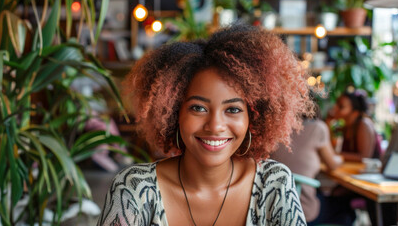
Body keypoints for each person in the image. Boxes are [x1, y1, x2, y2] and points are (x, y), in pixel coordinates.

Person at [97, 25, 313, 225]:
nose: (215, 125)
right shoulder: (134, 189)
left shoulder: (274, 184)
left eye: (233, 109)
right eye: (198, 108)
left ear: (253, 118)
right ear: (173, 113)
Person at [271, 116, 343, 222]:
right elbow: (332, 164)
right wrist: (340, 158)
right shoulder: (317, 128)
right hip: (300, 209)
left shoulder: (274, 126)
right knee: (345, 208)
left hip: (272, 205)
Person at [327, 89, 379, 162]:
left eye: (341, 106)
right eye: (336, 104)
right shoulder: (346, 126)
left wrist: (333, 154)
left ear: (355, 113)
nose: (335, 108)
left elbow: (364, 157)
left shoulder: (363, 125)